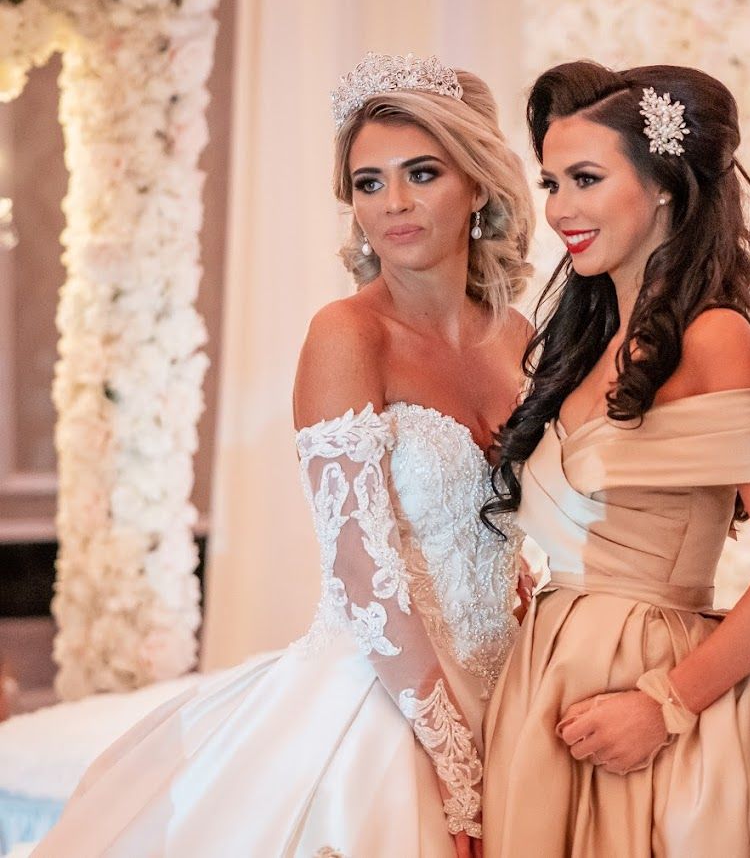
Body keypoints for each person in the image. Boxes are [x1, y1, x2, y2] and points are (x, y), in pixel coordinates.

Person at [33, 53, 534, 858]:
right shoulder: (347, 332)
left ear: (476, 184)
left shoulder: (517, 335)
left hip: (512, 686)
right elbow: (362, 571)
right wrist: (455, 761)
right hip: (384, 697)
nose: (394, 203)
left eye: (422, 172)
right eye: (369, 183)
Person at [479, 61, 750, 857]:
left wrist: (666, 703)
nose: (559, 209)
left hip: (644, 692)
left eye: (585, 178)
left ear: (665, 186)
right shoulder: (584, 342)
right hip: (547, 678)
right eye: (551, 181)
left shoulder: (714, 336)